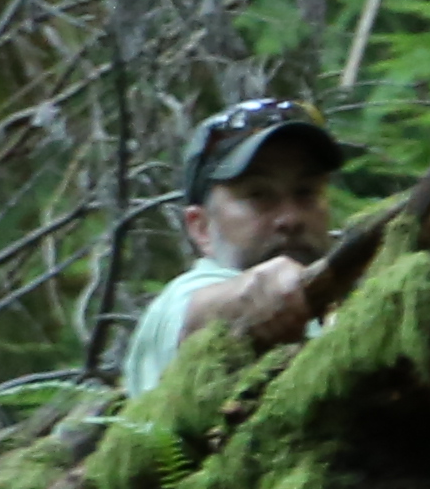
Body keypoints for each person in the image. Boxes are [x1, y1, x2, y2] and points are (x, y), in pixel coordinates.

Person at [123, 96, 343, 395]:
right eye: (259, 195)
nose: (290, 218)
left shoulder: (344, 308)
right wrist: (259, 291)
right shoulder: (182, 298)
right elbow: (194, 318)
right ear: (200, 227)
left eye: (305, 192)